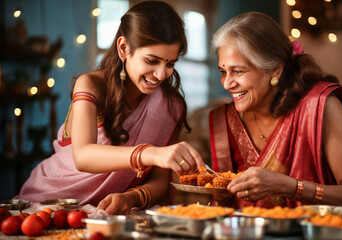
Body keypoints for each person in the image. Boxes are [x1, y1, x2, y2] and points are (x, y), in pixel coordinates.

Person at [14, 1, 204, 214]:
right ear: (124, 48)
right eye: (152, 60)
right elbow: (83, 156)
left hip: (113, 213)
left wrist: (131, 197)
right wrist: (150, 153)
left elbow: (161, 181)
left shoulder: (171, 106)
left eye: (170, 64)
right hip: (50, 203)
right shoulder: (91, 85)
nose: (161, 75)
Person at [209, 12, 342, 212]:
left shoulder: (320, 107)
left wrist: (288, 186)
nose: (227, 83)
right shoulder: (228, 120)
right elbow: (228, 205)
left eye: (238, 71)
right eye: (223, 72)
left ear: (276, 69)